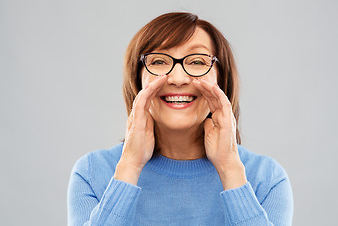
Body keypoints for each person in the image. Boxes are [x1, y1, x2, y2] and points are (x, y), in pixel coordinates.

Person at [67, 12, 293, 226]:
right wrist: (130, 166)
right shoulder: (91, 172)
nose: (178, 78)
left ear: (221, 80)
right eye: (158, 61)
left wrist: (229, 170)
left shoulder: (267, 179)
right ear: (137, 81)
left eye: (197, 61)